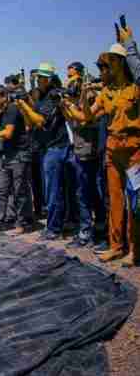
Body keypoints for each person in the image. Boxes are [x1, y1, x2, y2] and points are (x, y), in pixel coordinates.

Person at [67, 34, 140, 266]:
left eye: (106, 64)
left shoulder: (135, 89)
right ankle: (116, 246)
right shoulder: (106, 92)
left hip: (134, 151)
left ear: (120, 63)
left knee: (134, 202)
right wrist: (83, 98)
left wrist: (130, 46)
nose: (103, 68)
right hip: (112, 150)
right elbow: (86, 118)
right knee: (115, 200)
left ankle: (135, 250)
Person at [16, 62, 71, 241]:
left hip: (56, 148)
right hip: (48, 148)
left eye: (41, 77)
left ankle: (54, 228)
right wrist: (24, 106)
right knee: (53, 191)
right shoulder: (44, 97)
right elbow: (30, 122)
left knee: (53, 191)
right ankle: (58, 224)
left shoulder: (52, 96)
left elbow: (40, 121)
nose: (38, 80)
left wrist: (24, 106)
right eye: (37, 77)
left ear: (48, 78)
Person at [61, 62, 102, 248]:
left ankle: (99, 231)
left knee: (95, 194)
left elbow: (85, 119)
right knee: (82, 194)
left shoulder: (92, 96)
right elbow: (72, 122)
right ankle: (86, 231)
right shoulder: (73, 101)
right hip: (79, 151)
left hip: (92, 152)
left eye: (74, 78)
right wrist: (64, 107)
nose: (71, 83)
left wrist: (80, 99)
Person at [0, 86, 34, 234]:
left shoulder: (12, 109)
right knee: (2, 190)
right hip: (8, 156)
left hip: (19, 155)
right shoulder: (3, 113)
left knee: (19, 190)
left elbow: (7, 133)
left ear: (5, 96)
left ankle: (21, 224)